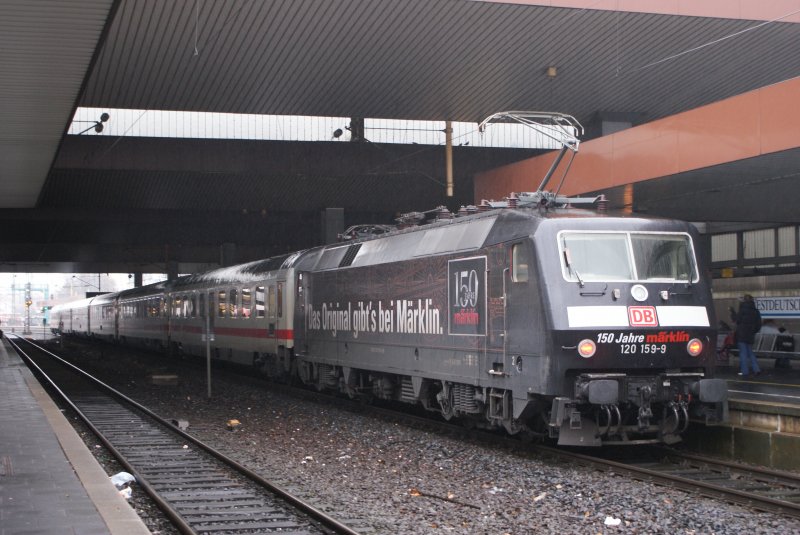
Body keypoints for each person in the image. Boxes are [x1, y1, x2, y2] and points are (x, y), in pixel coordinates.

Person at [729, 294, 762, 377]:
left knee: (743, 353)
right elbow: (758, 325)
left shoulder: (742, 310)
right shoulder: (756, 311)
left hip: (742, 335)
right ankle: (756, 369)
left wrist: (732, 311)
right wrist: (753, 331)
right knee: (750, 352)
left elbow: (736, 320)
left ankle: (745, 371)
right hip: (750, 335)